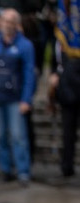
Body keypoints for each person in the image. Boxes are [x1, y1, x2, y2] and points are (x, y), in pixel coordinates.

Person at [0, 8, 35, 185]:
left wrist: (26, 99)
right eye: (4, 20)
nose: (6, 24)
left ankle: (23, 171)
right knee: (0, 136)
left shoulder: (25, 45)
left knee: (18, 136)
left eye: (10, 21)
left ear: (16, 24)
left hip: (15, 98)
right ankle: (5, 169)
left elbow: (29, 74)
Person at [48, 2, 80, 180]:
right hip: (67, 90)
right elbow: (55, 62)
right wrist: (54, 75)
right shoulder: (61, 39)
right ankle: (66, 167)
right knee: (68, 132)